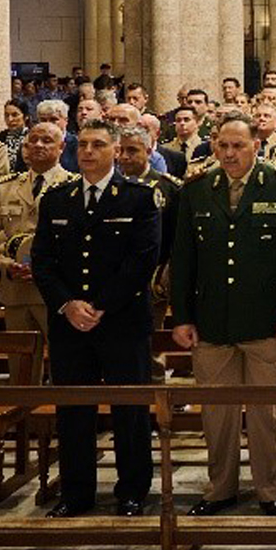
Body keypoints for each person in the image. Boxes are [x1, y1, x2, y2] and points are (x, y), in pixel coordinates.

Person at [171, 113, 276, 517]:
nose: (230, 153)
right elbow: (184, 259)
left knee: (268, 414)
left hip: (267, 321)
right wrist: (182, 316)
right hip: (212, 320)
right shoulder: (197, 189)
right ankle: (220, 488)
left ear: (256, 146)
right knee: (217, 415)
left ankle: (271, 489)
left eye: (238, 146)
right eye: (223, 146)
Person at [32, 120, 160, 517]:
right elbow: (43, 261)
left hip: (122, 321)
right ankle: (76, 492)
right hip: (70, 325)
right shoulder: (57, 199)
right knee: (73, 411)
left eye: (98, 144)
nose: (88, 151)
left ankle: (133, 490)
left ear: (116, 151)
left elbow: (143, 260)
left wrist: (102, 305)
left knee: (130, 410)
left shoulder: (138, 198)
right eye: (83, 144)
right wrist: (68, 305)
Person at [0, 122, 73, 342]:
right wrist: (8, 266)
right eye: (33, 141)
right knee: (20, 367)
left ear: (61, 147)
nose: (38, 145)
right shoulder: (7, 187)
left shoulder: (72, 186)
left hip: (56, 290)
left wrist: (41, 267)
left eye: (47, 141)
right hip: (16, 288)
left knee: (63, 364)